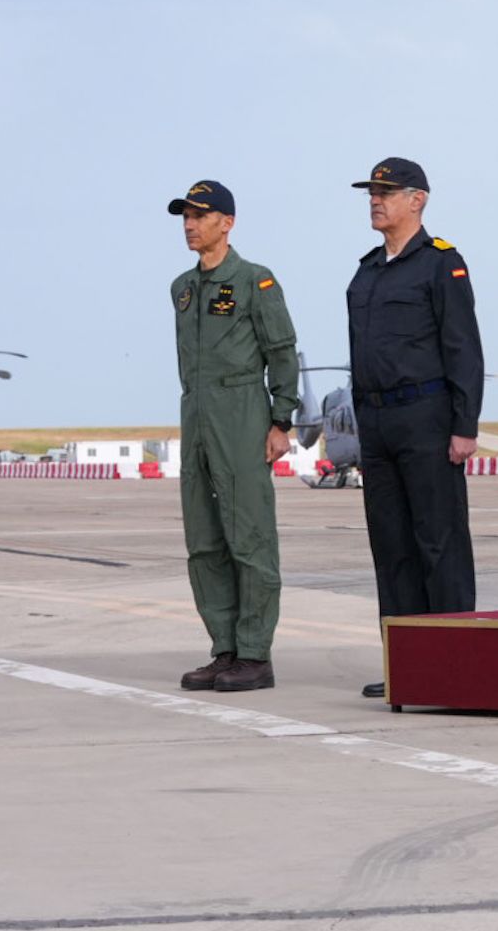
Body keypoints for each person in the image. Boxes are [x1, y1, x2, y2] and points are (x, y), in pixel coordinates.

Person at [345, 158, 484, 701]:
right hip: (377, 423)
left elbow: (463, 346)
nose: (376, 200)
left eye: (387, 192)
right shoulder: (367, 270)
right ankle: (406, 665)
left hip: (427, 418)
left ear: (417, 200)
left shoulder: (440, 264)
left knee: (439, 543)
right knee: (393, 547)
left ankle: (452, 668)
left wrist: (464, 424)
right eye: (372, 193)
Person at [167, 180, 301, 693]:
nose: (190, 224)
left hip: (242, 412)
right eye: (185, 216)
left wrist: (280, 420)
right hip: (196, 414)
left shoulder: (254, 281)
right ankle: (223, 648)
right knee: (203, 540)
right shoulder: (182, 287)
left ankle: (254, 654)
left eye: (200, 216)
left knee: (250, 537)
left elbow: (282, 351)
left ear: (227, 223)